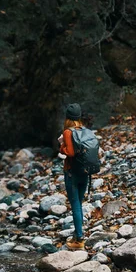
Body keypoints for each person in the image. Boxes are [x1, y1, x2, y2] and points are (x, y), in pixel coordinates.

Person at [58, 103, 89, 250]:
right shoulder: (85, 131)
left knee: (75, 204)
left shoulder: (68, 132)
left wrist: (61, 145)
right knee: (79, 204)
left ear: (68, 118)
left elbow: (69, 152)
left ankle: (79, 239)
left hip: (72, 173)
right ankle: (78, 234)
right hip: (85, 172)